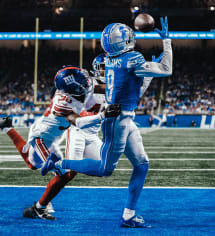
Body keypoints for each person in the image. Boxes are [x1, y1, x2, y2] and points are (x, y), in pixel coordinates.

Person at [43, 17, 172, 228]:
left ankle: (129, 215)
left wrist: (147, 73)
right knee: (104, 169)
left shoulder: (113, 62)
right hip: (116, 121)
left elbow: (132, 90)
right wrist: (166, 42)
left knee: (142, 164)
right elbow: (167, 69)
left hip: (124, 118)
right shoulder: (128, 60)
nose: (100, 71)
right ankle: (58, 163)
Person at [0, 66, 120, 220]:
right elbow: (77, 122)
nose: (87, 83)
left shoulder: (74, 90)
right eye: (83, 82)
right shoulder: (64, 103)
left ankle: (8, 128)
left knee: (35, 165)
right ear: (74, 88)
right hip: (41, 138)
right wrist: (102, 116)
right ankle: (39, 208)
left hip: (51, 138)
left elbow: (100, 88)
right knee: (62, 173)